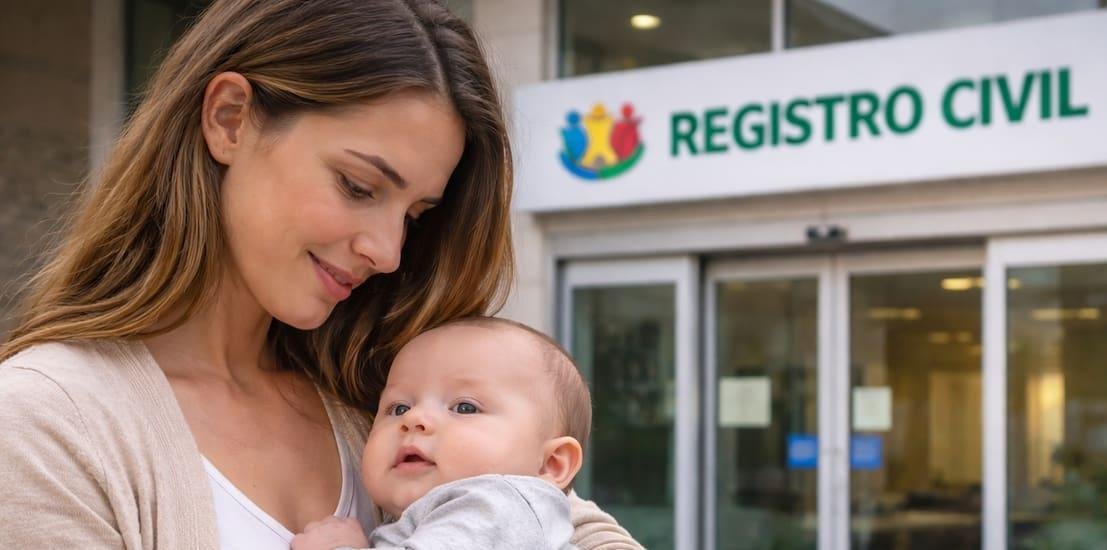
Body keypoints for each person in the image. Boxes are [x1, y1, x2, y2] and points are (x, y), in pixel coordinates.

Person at [0, 1, 638, 548]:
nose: (389, 252)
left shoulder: (382, 392)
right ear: (229, 120)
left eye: (415, 215)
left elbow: (564, 518)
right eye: (359, 186)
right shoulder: (48, 421)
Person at [292, 317, 609, 550]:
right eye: (398, 408)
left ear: (550, 465)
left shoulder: (496, 505)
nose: (415, 418)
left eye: (465, 407)